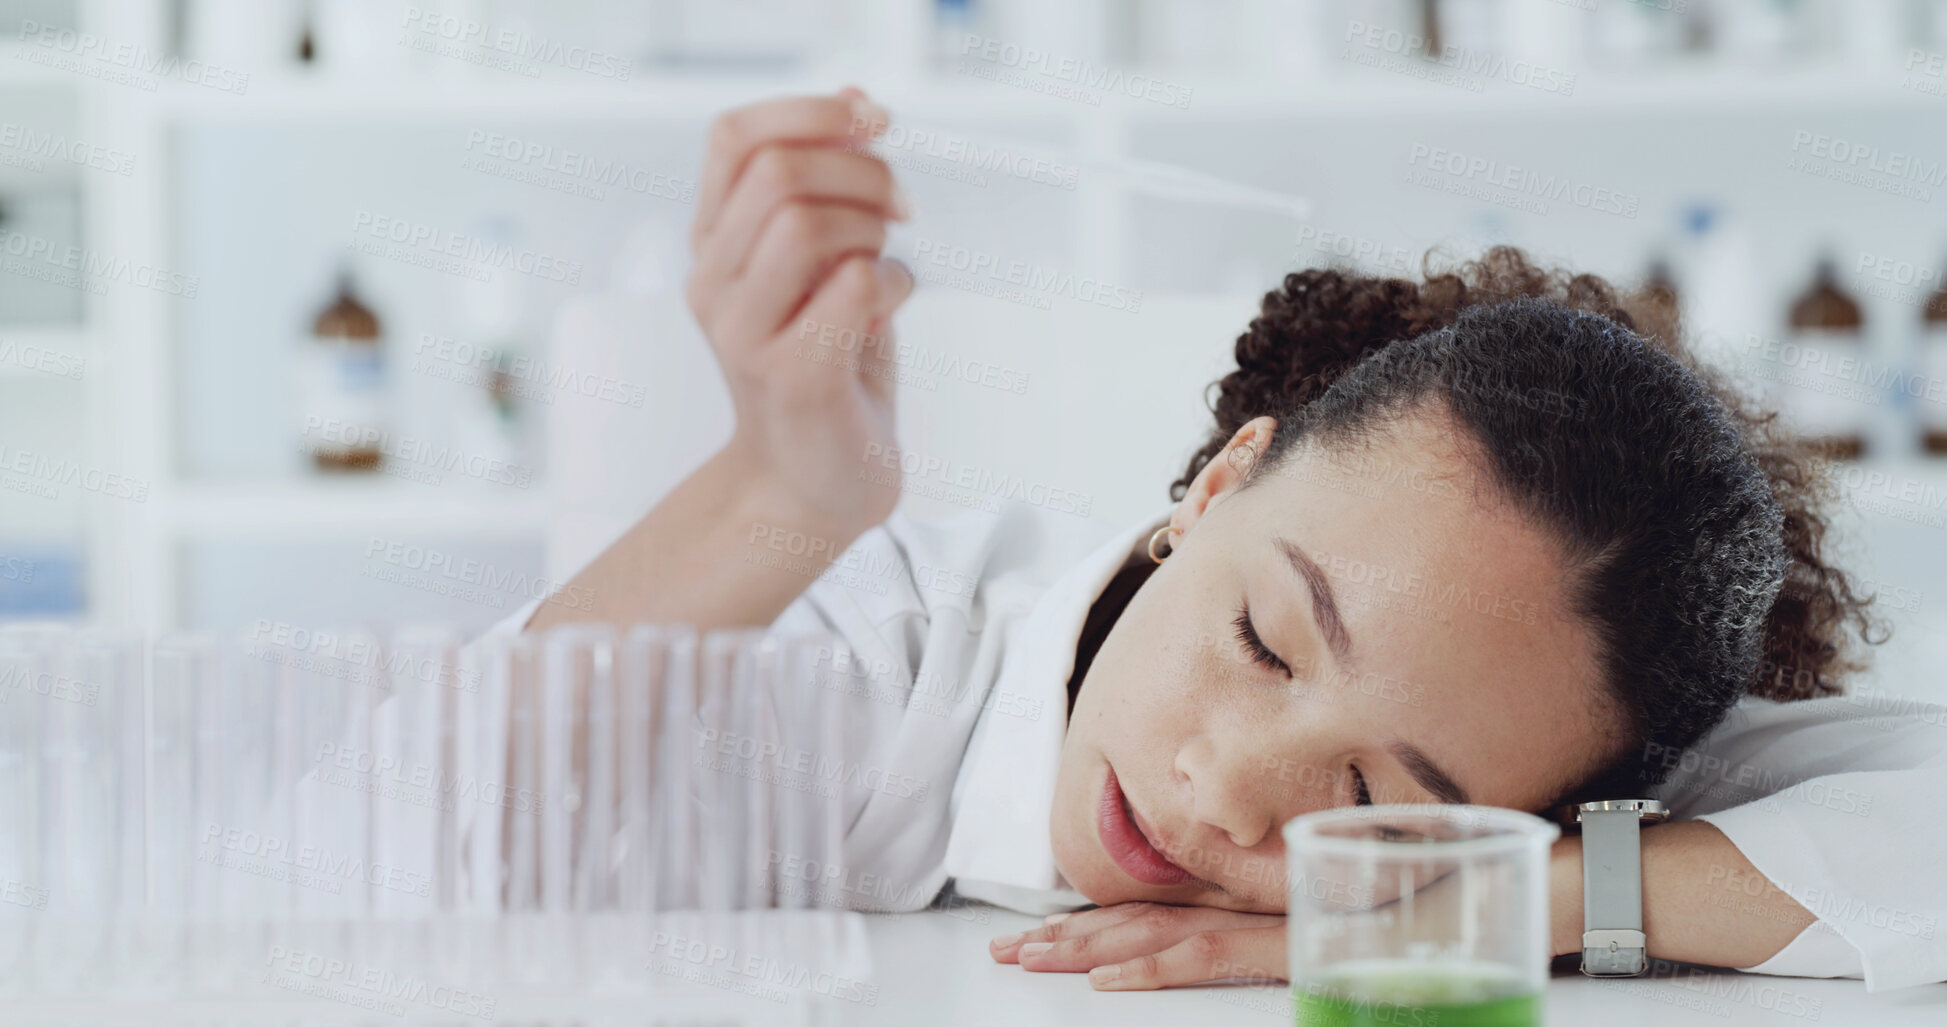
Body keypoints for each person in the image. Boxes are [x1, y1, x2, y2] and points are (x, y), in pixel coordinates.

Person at [488, 90, 1947, 992]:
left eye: (1376, 792)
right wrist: (781, 495)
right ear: (1223, 485)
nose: (1231, 794)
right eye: (1265, 636)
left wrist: (1471, 911)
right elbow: (368, 851)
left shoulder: (1561, 727)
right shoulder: (888, 656)